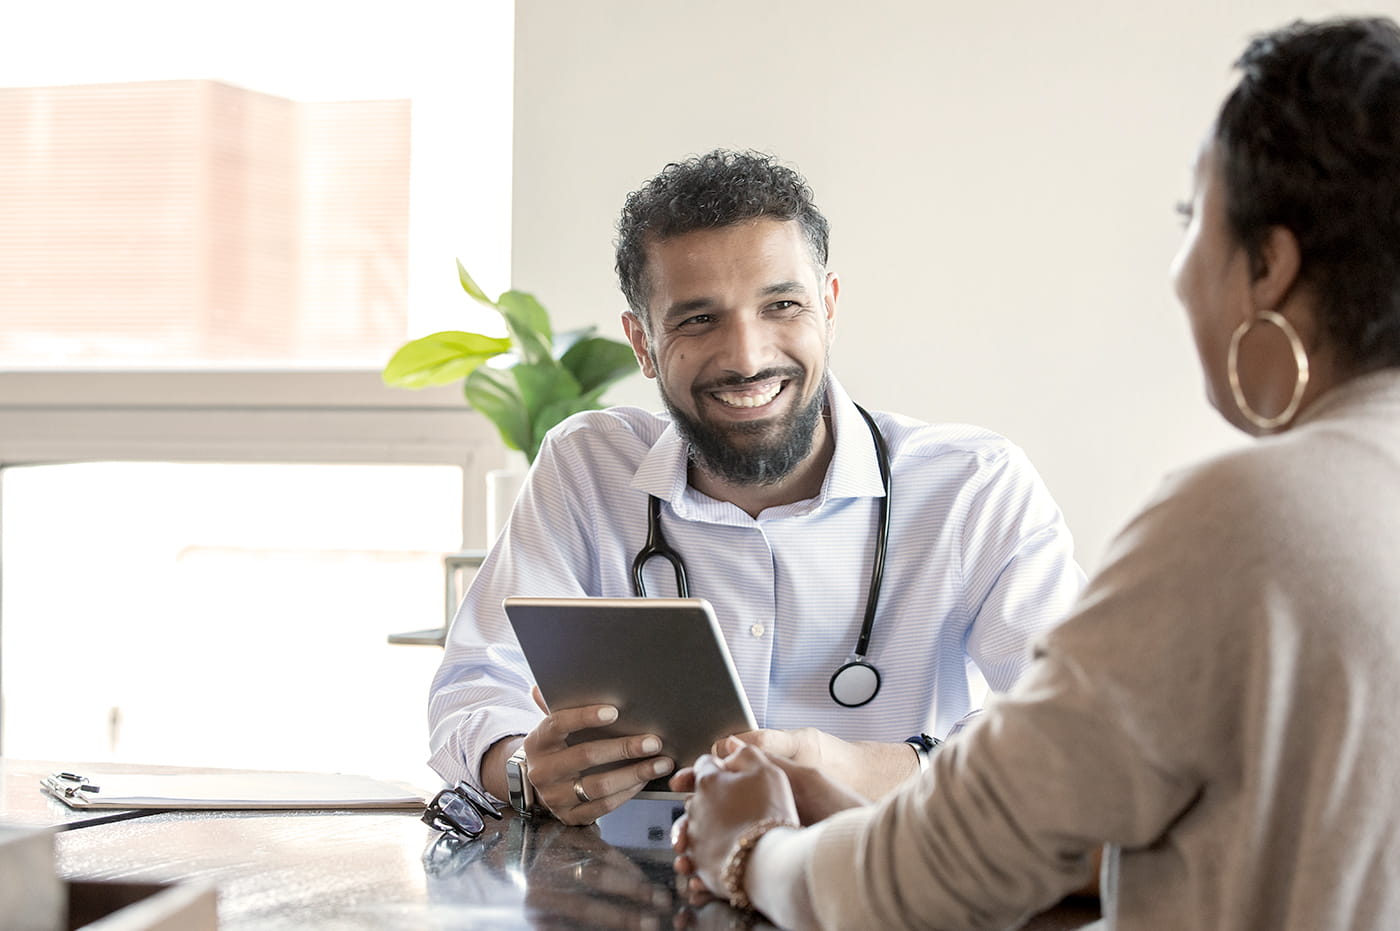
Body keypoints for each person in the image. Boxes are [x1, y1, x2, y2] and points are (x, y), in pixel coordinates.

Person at [672, 16, 1400, 930]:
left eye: (1191, 222)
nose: (1179, 274)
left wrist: (751, 847)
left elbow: (947, 868)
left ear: (1269, 265)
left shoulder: (1244, 516)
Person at [428, 149, 1086, 824]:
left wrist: (879, 768)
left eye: (782, 304)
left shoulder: (973, 487)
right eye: (697, 319)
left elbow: (1075, 725)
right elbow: (473, 686)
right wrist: (520, 764)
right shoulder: (586, 469)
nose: (746, 356)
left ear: (828, 307)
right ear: (642, 341)